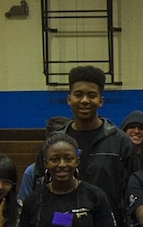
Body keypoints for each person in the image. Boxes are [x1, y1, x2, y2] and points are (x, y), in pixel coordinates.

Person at [23, 66, 136, 219]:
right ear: (69, 99)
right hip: (62, 225)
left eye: (91, 95)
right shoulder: (55, 142)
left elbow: (132, 193)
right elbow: (40, 187)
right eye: (78, 95)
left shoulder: (120, 142)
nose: (84, 100)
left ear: (100, 101)